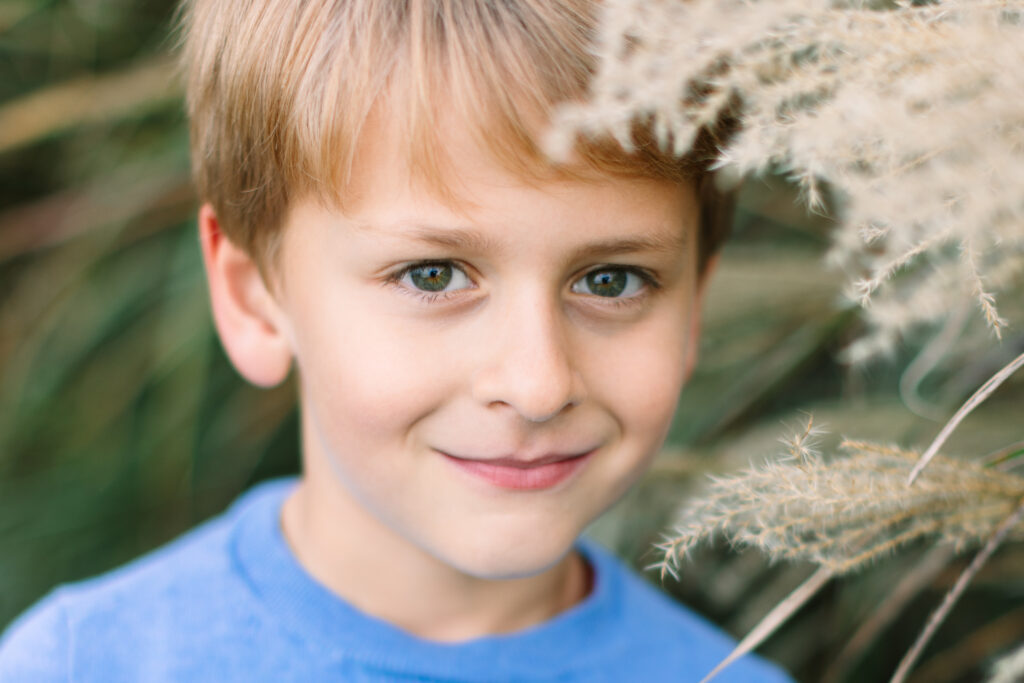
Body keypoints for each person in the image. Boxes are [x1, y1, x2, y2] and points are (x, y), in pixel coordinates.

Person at [0, 1, 793, 680]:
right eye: (434, 275)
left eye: (612, 280)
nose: (539, 382)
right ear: (252, 298)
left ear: (693, 306)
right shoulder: (82, 664)